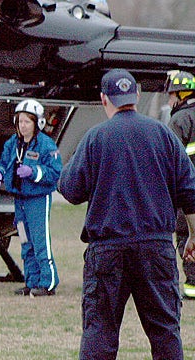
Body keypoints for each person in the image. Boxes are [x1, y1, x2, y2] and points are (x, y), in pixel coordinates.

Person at [58, 69, 195, 359]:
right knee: (165, 332)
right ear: (137, 95)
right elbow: (190, 193)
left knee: (100, 332)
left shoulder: (95, 138)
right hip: (155, 248)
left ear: (104, 99)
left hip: (107, 249)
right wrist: (193, 236)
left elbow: (70, 190)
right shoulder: (163, 134)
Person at [0, 99, 62, 297]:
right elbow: (4, 163)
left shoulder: (47, 146)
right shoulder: (13, 143)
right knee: (25, 241)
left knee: (40, 242)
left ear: (37, 123)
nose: (22, 126)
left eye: (27, 122)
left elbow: (55, 173)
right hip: (19, 200)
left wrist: (33, 171)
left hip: (37, 199)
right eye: (20, 121)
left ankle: (48, 283)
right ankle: (31, 282)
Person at [165, 70, 195, 299]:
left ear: (181, 94)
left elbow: (170, 158)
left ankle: (192, 286)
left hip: (188, 190)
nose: (169, 100)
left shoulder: (179, 119)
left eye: (171, 95)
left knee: (187, 235)